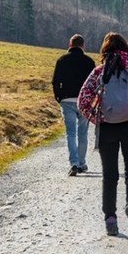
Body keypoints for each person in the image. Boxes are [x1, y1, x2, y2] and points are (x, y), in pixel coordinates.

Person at [78, 32, 128, 237]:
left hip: (107, 128)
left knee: (109, 175)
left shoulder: (99, 72)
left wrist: (98, 119)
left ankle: (110, 220)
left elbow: (83, 101)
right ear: (126, 48)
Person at [51, 34, 96, 176]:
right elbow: (94, 83)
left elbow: (55, 81)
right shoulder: (89, 62)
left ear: (69, 44)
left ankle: (74, 163)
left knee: (70, 133)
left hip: (66, 99)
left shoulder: (62, 60)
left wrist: (59, 96)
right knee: (82, 133)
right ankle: (82, 163)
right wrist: (92, 99)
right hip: (84, 101)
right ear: (83, 46)